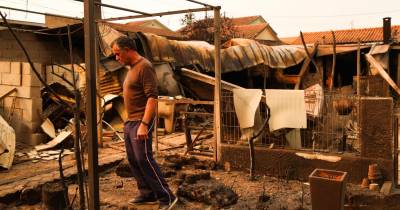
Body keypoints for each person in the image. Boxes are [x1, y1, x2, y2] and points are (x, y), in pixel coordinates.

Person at [111, 36, 177, 210]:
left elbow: (152, 98)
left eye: (118, 54)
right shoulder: (131, 68)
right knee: (133, 159)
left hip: (141, 119)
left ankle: (167, 197)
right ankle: (147, 193)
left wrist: (145, 124)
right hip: (131, 120)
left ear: (127, 50)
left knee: (144, 158)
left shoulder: (144, 66)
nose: (116, 58)